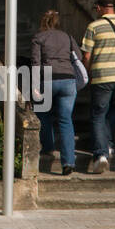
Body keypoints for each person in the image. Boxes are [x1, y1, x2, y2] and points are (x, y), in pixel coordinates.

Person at [81, 0, 115, 174]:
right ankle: (109, 146)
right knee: (112, 110)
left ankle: (100, 154)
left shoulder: (93, 26)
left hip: (103, 76)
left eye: (96, 8)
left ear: (100, 8)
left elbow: (86, 56)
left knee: (97, 114)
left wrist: (86, 73)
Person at [31, 9, 81, 176]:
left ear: (43, 22)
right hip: (68, 80)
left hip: (48, 79)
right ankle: (68, 162)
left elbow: (36, 62)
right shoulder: (67, 37)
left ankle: (48, 147)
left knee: (43, 114)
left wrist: (35, 85)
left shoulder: (39, 38)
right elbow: (78, 56)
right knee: (66, 120)